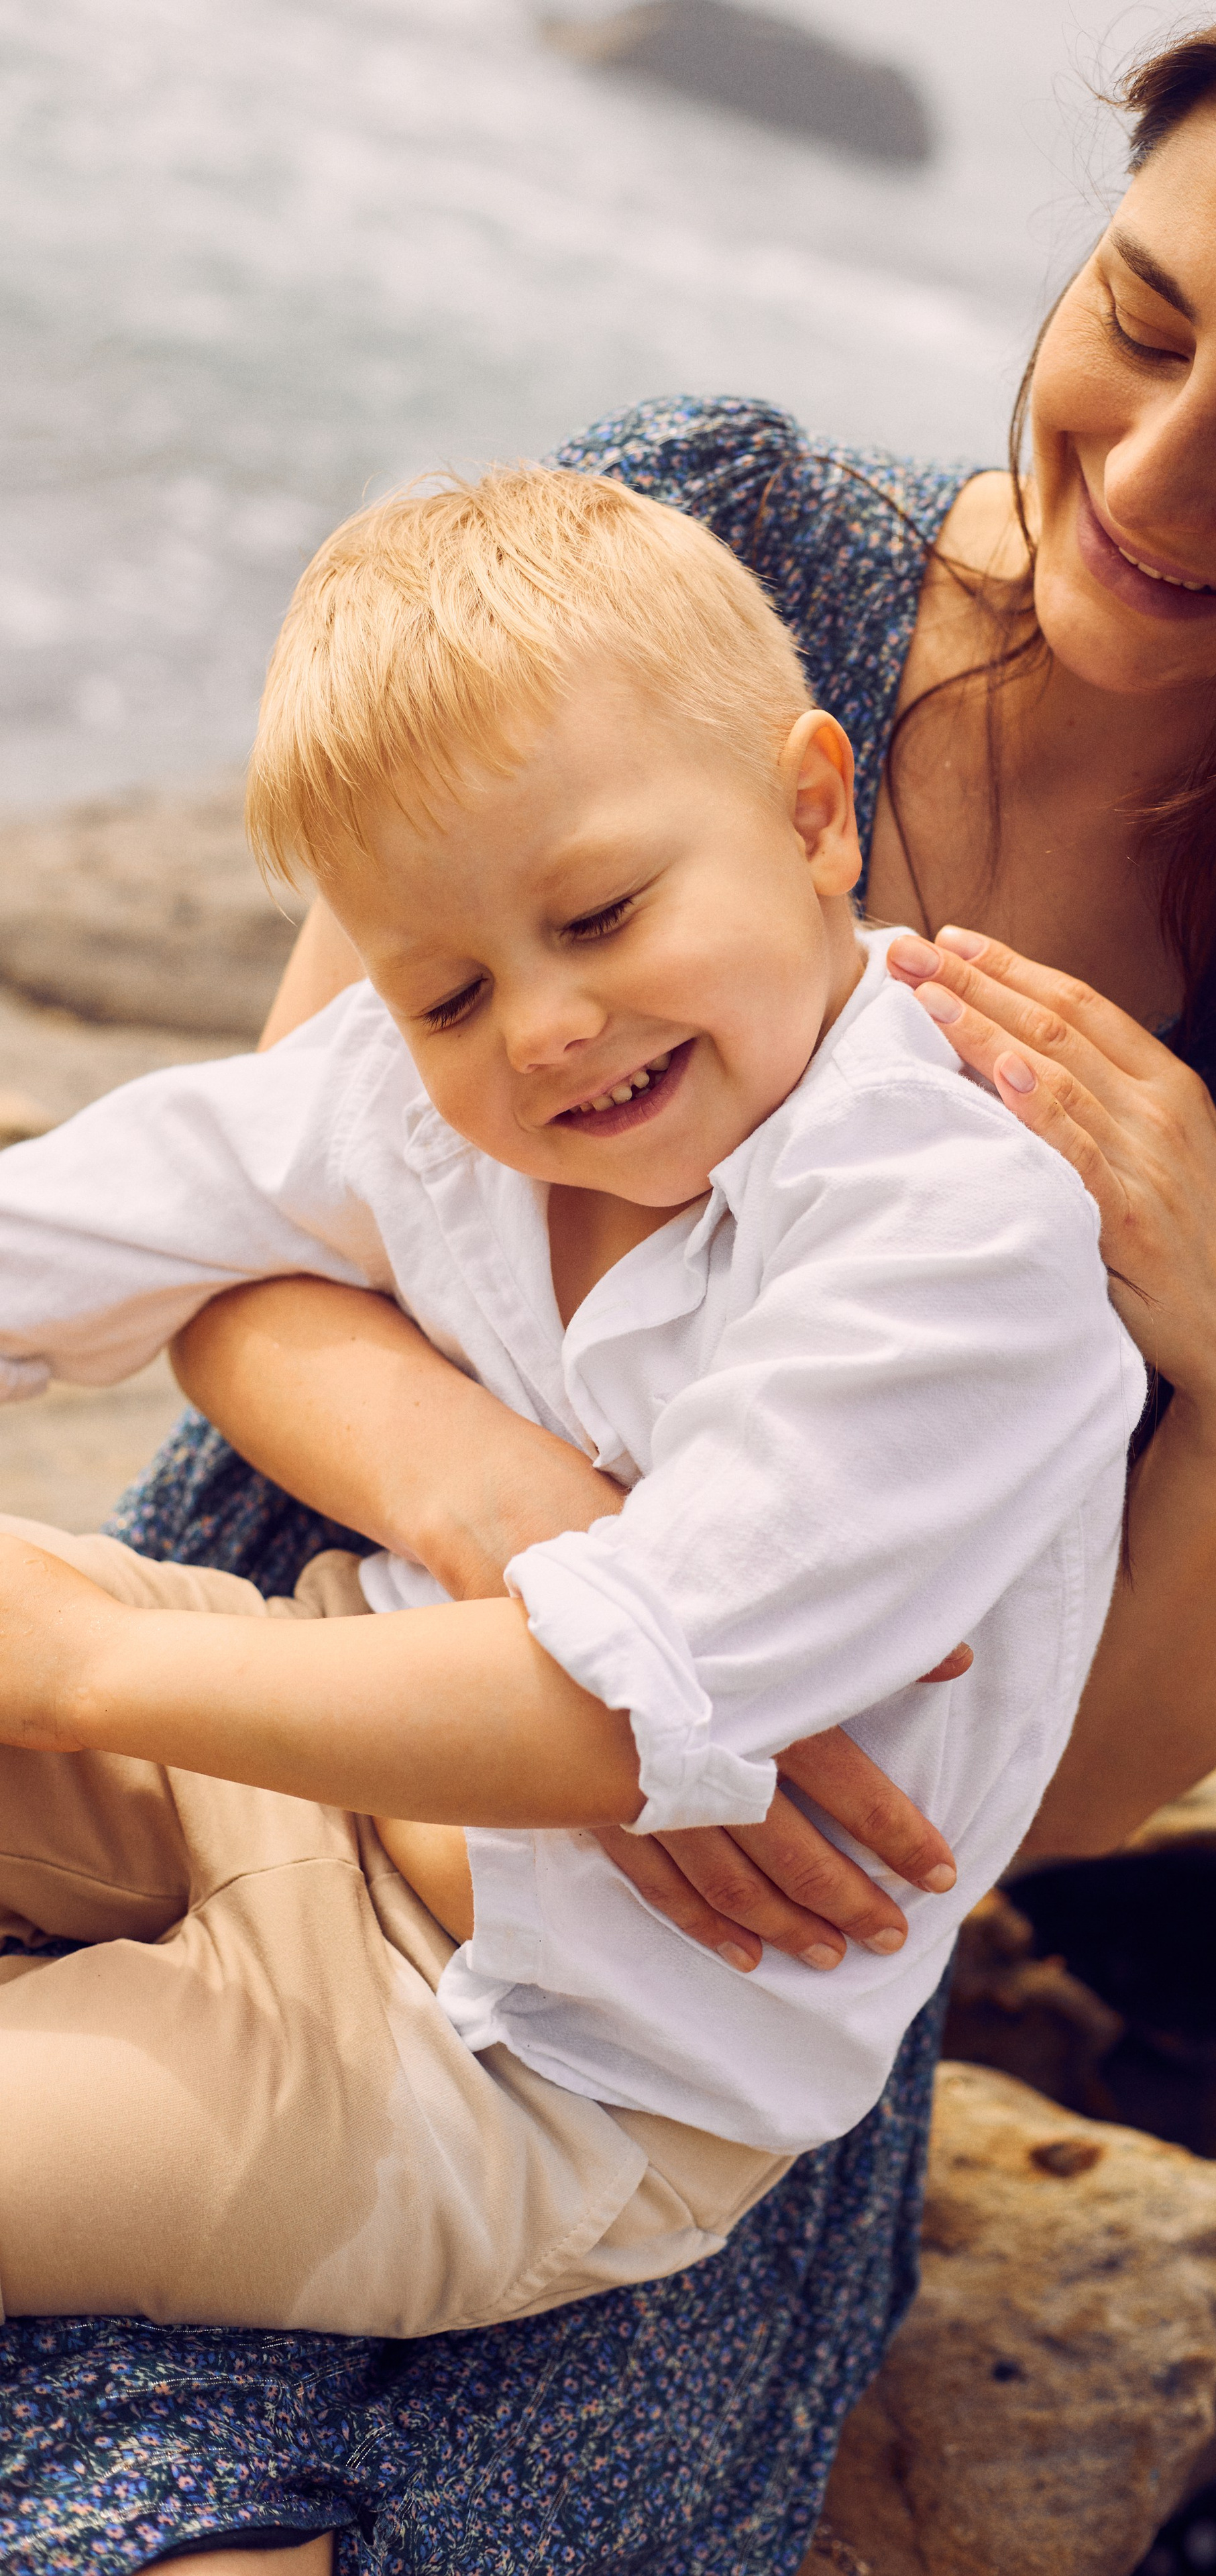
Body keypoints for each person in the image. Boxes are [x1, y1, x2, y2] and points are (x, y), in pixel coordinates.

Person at [1, 0, 1216, 2568]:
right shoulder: (705, 560)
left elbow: (1086, 1792)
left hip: (716, 1967)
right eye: (1142, 321)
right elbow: (275, 1217)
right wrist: (542, 1532)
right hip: (321, 1623)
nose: (1155, 470)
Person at [0, 463, 1140, 2332]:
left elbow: (609, 1711)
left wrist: (72, 1667)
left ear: (813, 812)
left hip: (529, 2072)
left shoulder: (958, 1235)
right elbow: (117, 1204)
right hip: (277, 1765)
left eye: (601, 914)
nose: (537, 1025)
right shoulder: (430, 1093)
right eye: (447, 992)